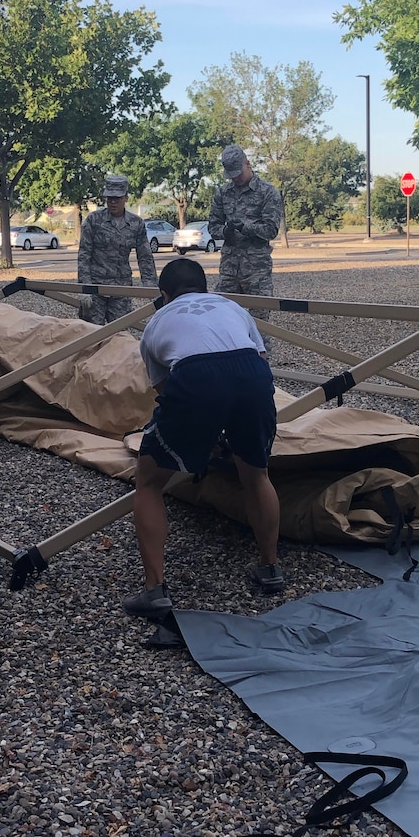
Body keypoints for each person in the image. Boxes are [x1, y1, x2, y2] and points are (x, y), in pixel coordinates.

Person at [122, 256, 285, 622]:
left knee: (148, 482)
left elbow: (167, 391)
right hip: (253, 373)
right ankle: (270, 568)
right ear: (205, 289)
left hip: (196, 376)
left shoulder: (156, 323)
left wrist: (201, 435)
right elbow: (258, 359)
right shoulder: (233, 307)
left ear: (164, 294)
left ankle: (155, 590)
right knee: (256, 474)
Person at [209, 144, 283, 330]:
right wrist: (225, 232)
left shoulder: (267, 192)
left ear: (247, 163)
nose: (235, 178)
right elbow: (213, 226)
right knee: (223, 321)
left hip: (257, 271)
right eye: (231, 174)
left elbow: (271, 230)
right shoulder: (223, 193)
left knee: (259, 326)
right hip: (229, 269)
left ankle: (260, 358)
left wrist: (245, 227)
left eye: (238, 172)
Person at [76, 174, 157, 325]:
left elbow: (145, 257)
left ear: (126, 198)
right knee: (90, 336)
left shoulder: (136, 223)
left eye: (117, 198)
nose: (113, 202)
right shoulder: (94, 220)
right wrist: (84, 287)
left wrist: (151, 288)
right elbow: (84, 255)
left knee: (118, 336)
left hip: (121, 288)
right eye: (109, 198)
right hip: (95, 286)